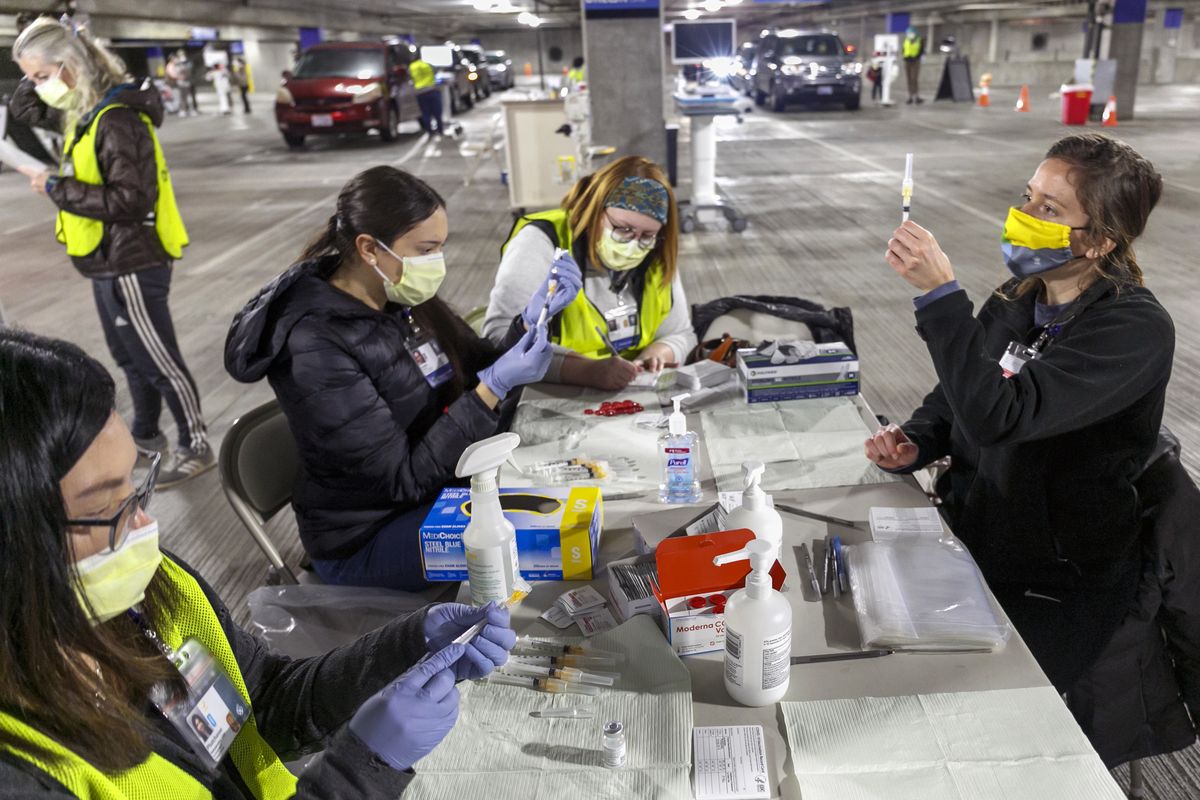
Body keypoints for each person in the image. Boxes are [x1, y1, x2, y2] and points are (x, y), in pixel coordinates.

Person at [0, 328, 518, 797]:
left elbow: (261, 702)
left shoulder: (149, 591)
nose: (144, 530)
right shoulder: (24, 771)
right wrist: (363, 769)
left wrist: (404, 647)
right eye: (103, 509)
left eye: (135, 489)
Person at [865, 133, 1172, 691]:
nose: (1023, 215)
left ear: (1101, 241)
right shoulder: (1018, 296)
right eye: (1027, 197)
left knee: (988, 707)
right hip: (978, 533)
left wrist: (940, 297)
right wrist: (919, 439)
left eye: (1049, 209)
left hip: (1055, 576)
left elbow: (999, 418)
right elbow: (961, 391)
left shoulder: (1130, 330)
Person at [224, 166, 578, 590]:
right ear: (370, 249)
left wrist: (530, 320)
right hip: (368, 535)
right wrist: (493, 387)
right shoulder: (316, 342)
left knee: (568, 502)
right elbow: (401, 479)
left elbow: (476, 365)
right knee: (554, 544)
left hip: (439, 490)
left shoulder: (398, 295)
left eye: (441, 248)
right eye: (426, 249)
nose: (436, 263)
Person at [10, 16, 214, 488]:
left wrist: (59, 187)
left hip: (133, 260)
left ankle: (197, 444)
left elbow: (131, 200)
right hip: (106, 259)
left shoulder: (117, 120)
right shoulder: (82, 112)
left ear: (71, 67)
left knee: (158, 358)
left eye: (43, 76)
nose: (37, 88)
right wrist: (34, 64)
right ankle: (147, 435)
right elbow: (24, 110)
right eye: (32, 77)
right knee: (129, 356)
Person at [484, 156, 696, 392]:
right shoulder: (541, 243)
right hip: (544, 394)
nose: (634, 244)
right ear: (596, 213)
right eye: (623, 229)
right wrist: (587, 371)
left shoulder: (656, 253)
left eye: (647, 236)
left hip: (627, 393)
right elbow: (501, 341)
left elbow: (682, 333)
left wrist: (659, 353)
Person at [409, 53, 443, 136]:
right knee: (437, 112)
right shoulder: (427, 65)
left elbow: (411, 79)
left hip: (420, 93)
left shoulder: (411, 67)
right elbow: (436, 73)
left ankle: (430, 131)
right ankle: (440, 130)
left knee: (425, 113)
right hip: (432, 90)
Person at [165, 50, 197, 115]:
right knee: (182, 97)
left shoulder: (184, 63)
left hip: (185, 82)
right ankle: (183, 110)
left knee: (187, 97)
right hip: (179, 83)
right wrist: (180, 76)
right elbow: (173, 74)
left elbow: (189, 71)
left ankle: (189, 109)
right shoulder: (174, 65)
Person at [902, 26, 924, 104]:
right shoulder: (906, 40)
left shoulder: (919, 40)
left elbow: (921, 51)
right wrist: (904, 57)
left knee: (914, 79)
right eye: (908, 33)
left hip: (915, 61)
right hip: (907, 61)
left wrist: (917, 57)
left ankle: (917, 96)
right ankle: (910, 96)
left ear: (915, 33)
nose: (909, 34)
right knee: (909, 79)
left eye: (910, 33)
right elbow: (903, 49)